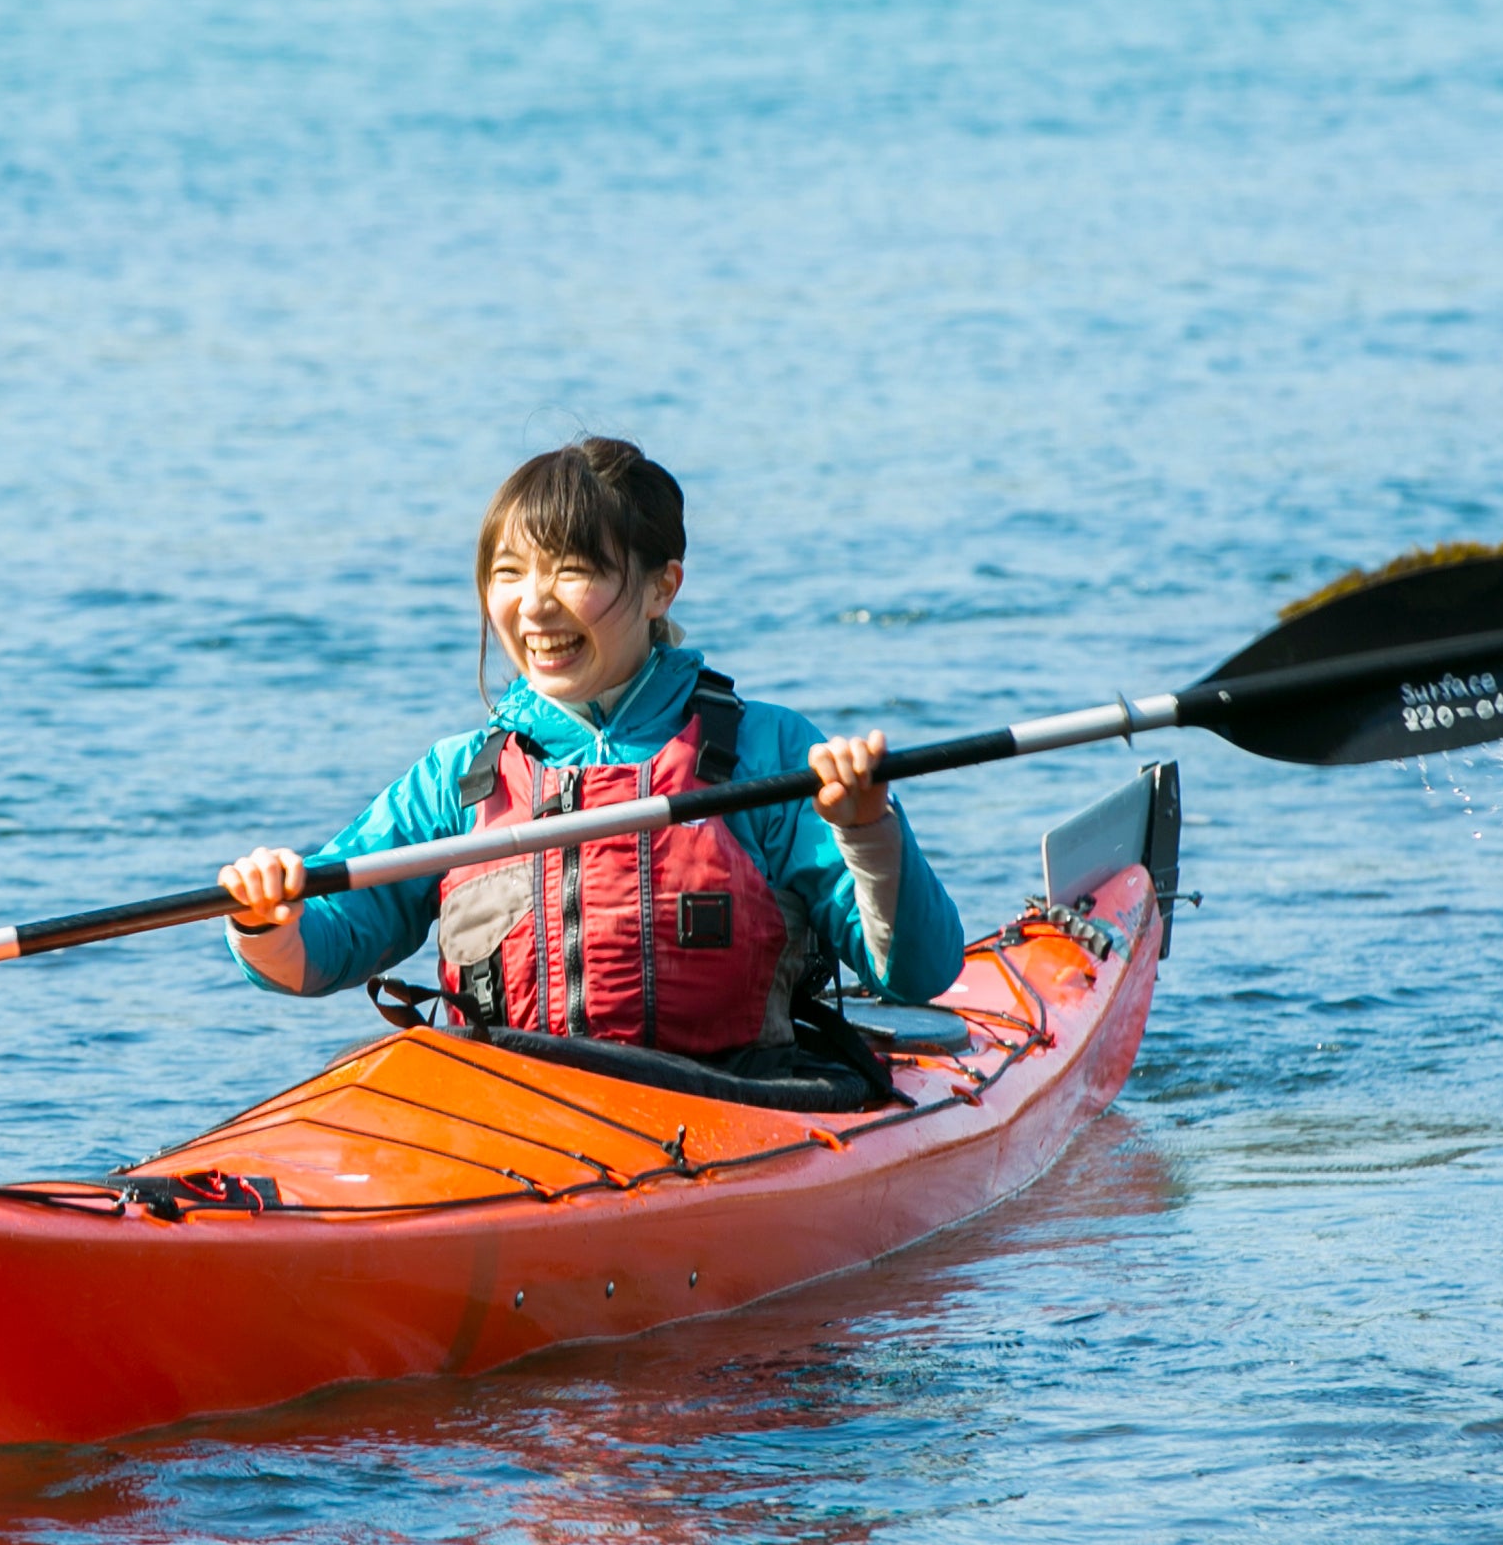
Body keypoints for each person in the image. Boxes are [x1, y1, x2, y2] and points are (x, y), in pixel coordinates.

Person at [217, 437, 963, 1080]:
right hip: (506, 1120)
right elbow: (321, 951)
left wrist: (867, 829)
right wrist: (265, 918)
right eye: (509, 573)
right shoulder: (457, 780)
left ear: (660, 587)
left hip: (729, 1107)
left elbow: (918, 973)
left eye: (572, 570)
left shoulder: (767, 754)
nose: (534, 605)